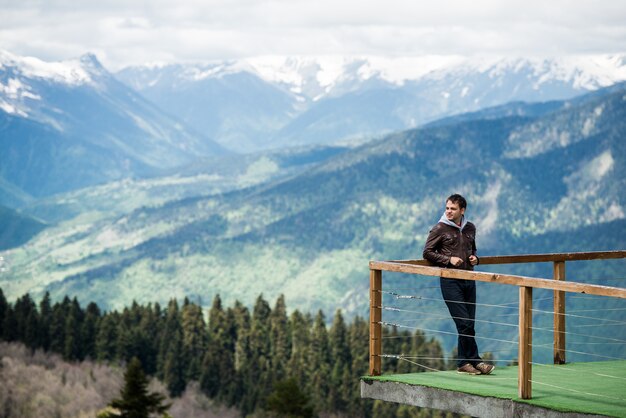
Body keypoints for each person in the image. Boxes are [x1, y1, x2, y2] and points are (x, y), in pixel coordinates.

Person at [422, 194, 494, 375]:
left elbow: (473, 248)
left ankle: (465, 362)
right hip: (450, 281)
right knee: (464, 323)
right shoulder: (439, 228)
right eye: (447, 208)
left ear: (462, 210)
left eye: (453, 209)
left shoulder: (470, 227)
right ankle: (474, 360)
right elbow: (427, 252)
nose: (448, 211)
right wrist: (448, 259)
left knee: (469, 323)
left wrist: (475, 258)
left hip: (469, 279)